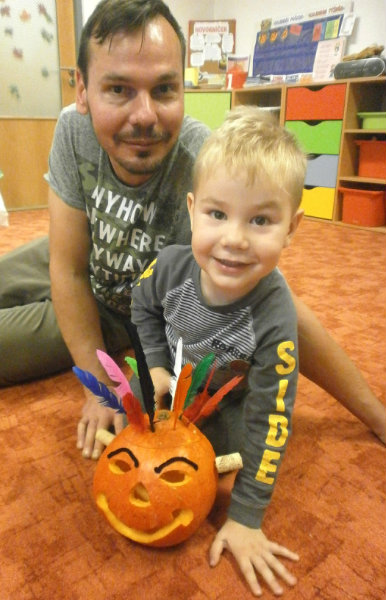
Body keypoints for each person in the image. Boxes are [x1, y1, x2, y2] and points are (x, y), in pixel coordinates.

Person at [0, 0, 384, 449]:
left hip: (120, 305)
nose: (145, 116)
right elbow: (67, 267)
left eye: (164, 89)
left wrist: (375, 415)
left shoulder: (206, 163)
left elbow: (276, 304)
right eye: (118, 89)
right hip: (75, 251)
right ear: (82, 91)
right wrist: (99, 385)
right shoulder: (73, 130)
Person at [131, 104, 306, 595]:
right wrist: (156, 368)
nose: (234, 239)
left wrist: (246, 518)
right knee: (136, 429)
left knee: (234, 455)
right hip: (175, 383)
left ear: (292, 228)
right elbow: (141, 308)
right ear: (191, 210)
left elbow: (272, 418)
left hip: (230, 400)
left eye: (260, 220)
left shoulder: (275, 314)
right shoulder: (169, 266)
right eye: (217, 214)